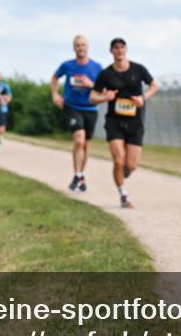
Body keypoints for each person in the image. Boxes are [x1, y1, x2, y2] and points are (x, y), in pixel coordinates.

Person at [90, 38, 158, 209]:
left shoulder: (138, 69)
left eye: (122, 47)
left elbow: (154, 86)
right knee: (119, 160)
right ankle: (123, 195)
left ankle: (124, 172)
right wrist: (105, 97)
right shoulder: (106, 74)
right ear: (111, 51)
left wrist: (142, 98)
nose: (119, 51)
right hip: (114, 121)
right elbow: (92, 97)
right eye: (116, 48)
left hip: (135, 121)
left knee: (131, 165)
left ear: (126, 49)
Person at [52, 35, 104, 192]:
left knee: (86, 145)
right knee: (79, 140)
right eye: (78, 45)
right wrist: (55, 94)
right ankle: (77, 174)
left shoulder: (96, 67)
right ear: (74, 48)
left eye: (83, 45)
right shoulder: (67, 66)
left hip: (90, 109)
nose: (81, 48)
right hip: (72, 106)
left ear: (87, 47)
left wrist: (91, 84)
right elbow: (55, 77)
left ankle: (81, 176)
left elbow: (103, 89)